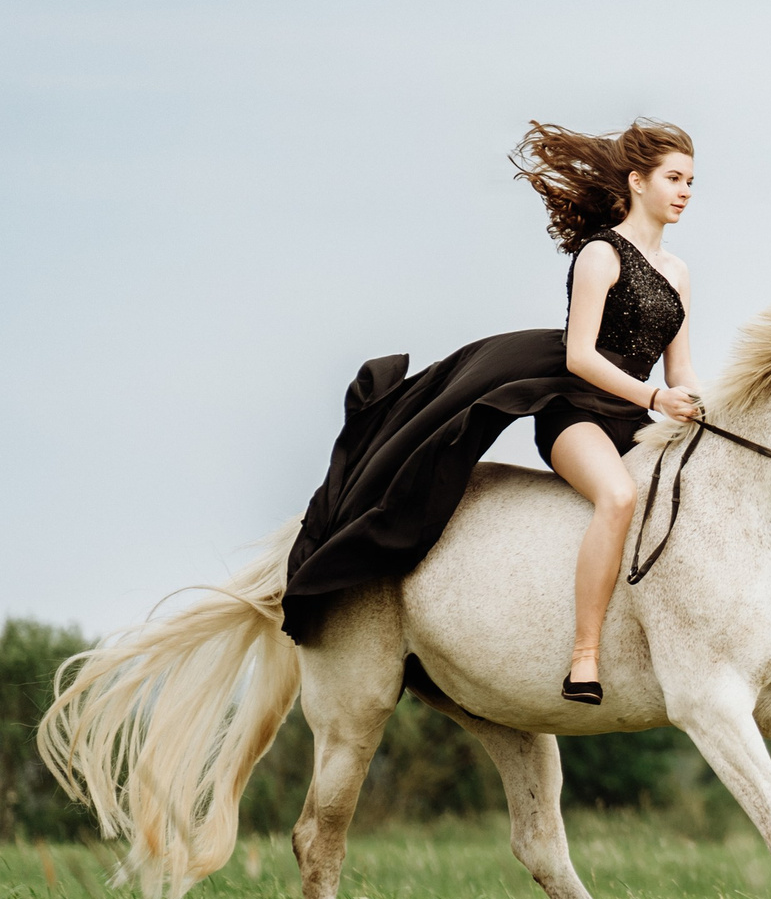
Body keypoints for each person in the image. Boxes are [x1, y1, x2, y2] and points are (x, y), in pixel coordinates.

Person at [279, 119, 703, 706]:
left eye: (690, 181)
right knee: (619, 498)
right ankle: (584, 656)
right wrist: (655, 398)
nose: (684, 191)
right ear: (637, 182)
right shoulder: (601, 255)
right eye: (673, 178)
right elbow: (579, 357)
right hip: (574, 412)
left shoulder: (677, 273)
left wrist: (697, 404)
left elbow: (679, 370)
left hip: (635, 418)